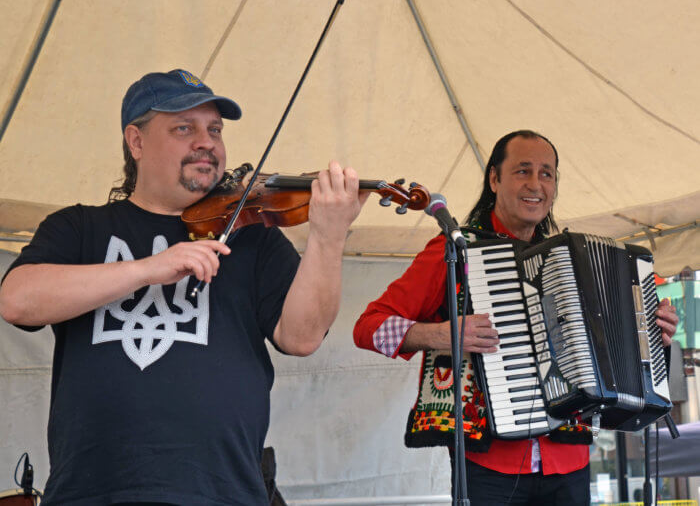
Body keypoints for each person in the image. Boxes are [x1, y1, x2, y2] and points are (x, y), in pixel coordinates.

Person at [0, 69, 368, 505]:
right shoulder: (79, 227)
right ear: (136, 142)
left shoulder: (252, 235)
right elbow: (17, 300)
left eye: (214, 129)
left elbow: (303, 337)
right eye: (183, 128)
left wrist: (328, 237)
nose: (206, 142)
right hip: (92, 493)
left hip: (222, 493)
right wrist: (147, 269)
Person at [353, 130, 679, 505]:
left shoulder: (577, 260)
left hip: (569, 461)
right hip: (490, 465)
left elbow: (625, 342)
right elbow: (368, 327)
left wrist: (656, 332)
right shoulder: (455, 252)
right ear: (494, 179)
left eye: (547, 174)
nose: (535, 184)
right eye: (523, 171)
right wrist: (442, 334)